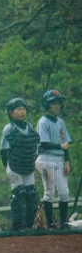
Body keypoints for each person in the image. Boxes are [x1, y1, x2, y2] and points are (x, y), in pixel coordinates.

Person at [0, 97, 40, 231]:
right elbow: (3, 150)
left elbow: (33, 146)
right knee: (19, 193)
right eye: (18, 109)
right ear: (10, 113)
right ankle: (17, 226)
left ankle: (28, 225)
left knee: (31, 193)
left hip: (28, 166)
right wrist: (7, 167)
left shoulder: (29, 127)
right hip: (15, 165)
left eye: (23, 109)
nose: (22, 112)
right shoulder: (9, 129)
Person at [35, 89, 72, 230]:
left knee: (64, 192)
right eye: (53, 103)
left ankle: (63, 223)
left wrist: (67, 161)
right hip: (45, 158)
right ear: (47, 105)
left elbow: (65, 144)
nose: (56, 105)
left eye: (58, 103)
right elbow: (44, 143)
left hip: (58, 159)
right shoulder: (43, 122)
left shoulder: (60, 122)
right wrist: (60, 146)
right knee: (49, 191)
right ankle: (50, 224)